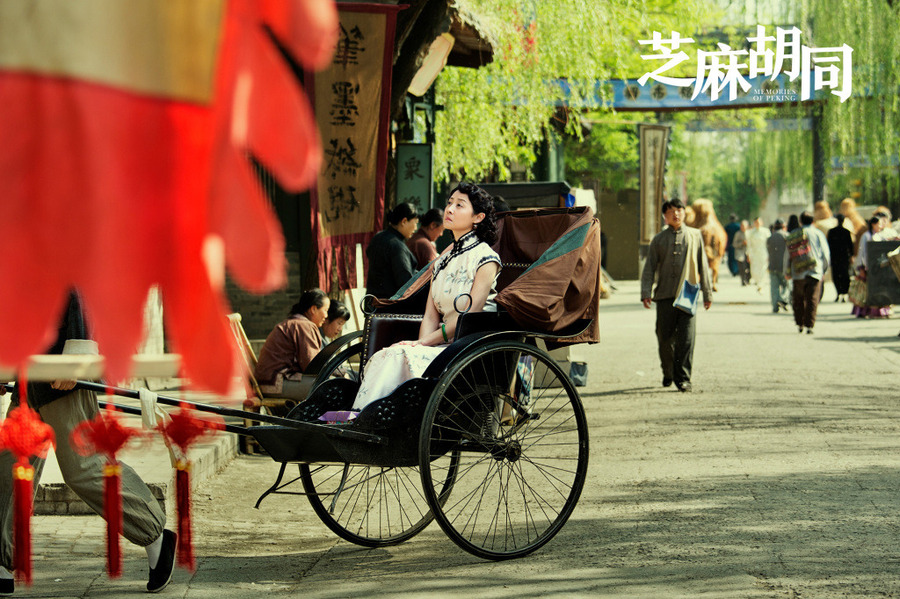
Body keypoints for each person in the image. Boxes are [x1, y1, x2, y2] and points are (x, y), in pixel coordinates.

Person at [0, 293, 175, 595]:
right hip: (30, 375)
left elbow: (80, 297)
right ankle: (2, 558)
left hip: (61, 378)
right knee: (11, 466)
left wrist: (76, 363)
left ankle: (154, 533)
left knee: (84, 467)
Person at [352, 182, 501, 410]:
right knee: (388, 354)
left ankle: (367, 417)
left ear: (478, 217)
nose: (449, 209)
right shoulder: (443, 258)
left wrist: (423, 343)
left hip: (467, 348)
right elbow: (431, 314)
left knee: (397, 355)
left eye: (459, 205)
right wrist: (421, 346)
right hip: (440, 345)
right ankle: (365, 417)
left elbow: (468, 316)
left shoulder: (486, 258)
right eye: (450, 203)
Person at [640, 198, 713, 393]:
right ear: (665, 215)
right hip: (664, 296)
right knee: (664, 338)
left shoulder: (695, 236)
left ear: (684, 213)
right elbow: (649, 269)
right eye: (672, 211)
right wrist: (646, 292)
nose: (676, 214)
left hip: (688, 295)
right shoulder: (659, 239)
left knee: (687, 339)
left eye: (679, 210)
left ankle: (683, 378)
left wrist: (708, 293)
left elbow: (704, 267)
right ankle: (668, 371)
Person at [253, 289, 329, 400]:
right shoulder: (303, 325)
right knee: (333, 385)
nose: (326, 315)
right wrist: (339, 371)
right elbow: (312, 366)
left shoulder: (295, 323)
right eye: (325, 310)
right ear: (313, 309)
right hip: (276, 383)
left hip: (269, 382)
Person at [784, 211, 830, 333]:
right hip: (815, 271)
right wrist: (823, 269)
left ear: (800, 221)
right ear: (813, 221)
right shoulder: (818, 234)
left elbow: (787, 255)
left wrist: (787, 271)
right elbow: (825, 254)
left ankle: (800, 324)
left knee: (798, 299)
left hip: (798, 272)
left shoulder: (793, 235)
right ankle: (809, 325)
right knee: (812, 299)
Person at [365, 203, 419, 298]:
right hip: (388, 306)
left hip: (372, 303)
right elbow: (405, 282)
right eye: (415, 223)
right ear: (404, 221)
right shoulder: (397, 246)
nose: (415, 228)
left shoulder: (378, 237)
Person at [851, 215, 892, 319]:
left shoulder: (880, 235)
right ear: (873, 224)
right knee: (868, 290)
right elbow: (863, 252)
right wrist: (861, 267)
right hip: (868, 267)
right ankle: (866, 310)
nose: (880, 226)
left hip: (879, 267)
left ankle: (880, 310)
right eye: (878, 224)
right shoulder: (866, 236)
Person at [827, 213, 854, 302]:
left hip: (835, 257)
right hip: (844, 257)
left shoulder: (831, 232)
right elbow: (850, 246)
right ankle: (844, 293)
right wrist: (851, 256)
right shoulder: (846, 232)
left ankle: (839, 293)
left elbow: (828, 245)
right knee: (845, 275)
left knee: (836, 275)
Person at [767, 218, 791, 313]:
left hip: (772, 265)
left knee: (774, 287)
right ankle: (783, 299)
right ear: (784, 226)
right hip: (784, 266)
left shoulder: (770, 238)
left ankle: (775, 306)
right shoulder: (787, 236)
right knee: (787, 285)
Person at [746, 217, 770, 293]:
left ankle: (761, 285)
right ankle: (758, 282)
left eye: (759, 222)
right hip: (754, 253)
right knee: (754, 270)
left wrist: (770, 254)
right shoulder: (751, 232)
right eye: (756, 222)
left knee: (763, 268)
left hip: (763, 252)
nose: (757, 224)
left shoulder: (766, 231)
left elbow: (769, 244)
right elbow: (749, 245)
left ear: (761, 223)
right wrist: (748, 254)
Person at [733, 220, 750, 286]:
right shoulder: (738, 234)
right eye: (742, 225)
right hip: (740, 253)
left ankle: (748, 279)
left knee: (748, 267)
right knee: (742, 267)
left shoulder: (749, 233)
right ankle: (743, 280)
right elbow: (734, 244)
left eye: (744, 226)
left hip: (748, 252)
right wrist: (742, 243)